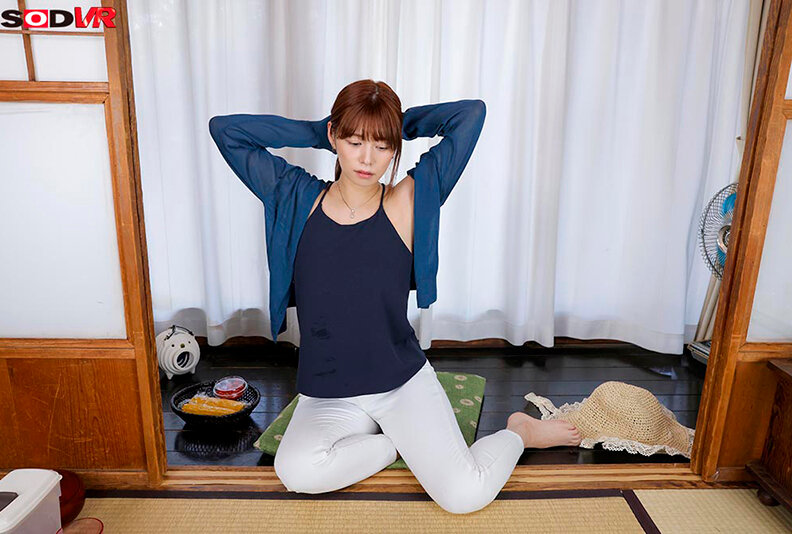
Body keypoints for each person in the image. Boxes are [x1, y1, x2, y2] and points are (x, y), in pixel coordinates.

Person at [209, 79, 581, 515]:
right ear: (335, 137)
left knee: (464, 495)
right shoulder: (296, 196)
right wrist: (320, 131)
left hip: (400, 383)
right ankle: (393, 443)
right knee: (296, 472)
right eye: (354, 142)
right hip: (328, 393)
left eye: (382, 146)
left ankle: (521, 432)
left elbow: (470, 115)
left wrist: (392, 123)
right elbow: (226, 130)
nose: (367, 159)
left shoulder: (408, 201)